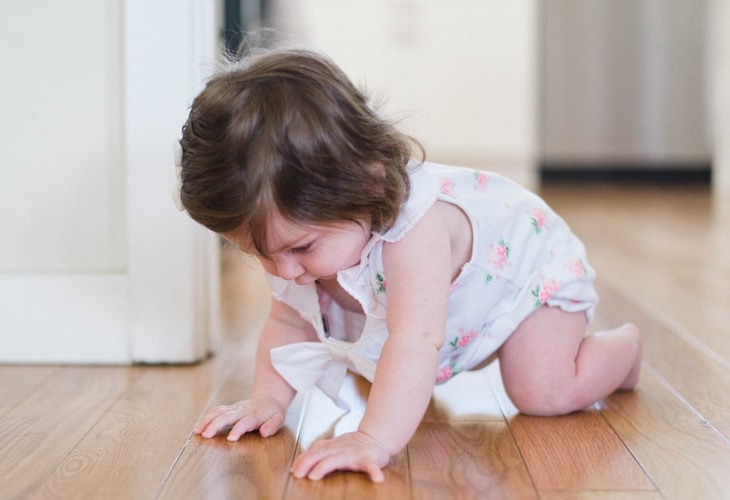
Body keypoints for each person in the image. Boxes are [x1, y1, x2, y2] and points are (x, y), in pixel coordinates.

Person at [178, 49, 642, 483]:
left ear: (368, 182)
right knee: (372, 357)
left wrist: (373, 438)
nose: (283, 270)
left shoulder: (415, 236)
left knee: (542, 391)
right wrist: (268, 400)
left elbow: (417, 337)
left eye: (301, 248)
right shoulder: (297, 243)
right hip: (456, 302)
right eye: (259, 253)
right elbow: (289, 322)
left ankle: (624, 352)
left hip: (525, 277)